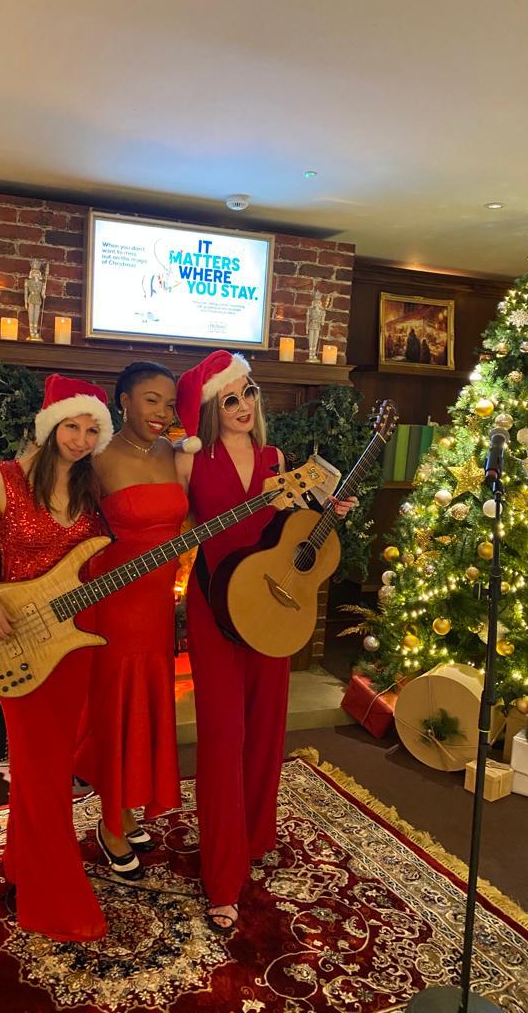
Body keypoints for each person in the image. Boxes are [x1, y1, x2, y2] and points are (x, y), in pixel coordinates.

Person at [173, 350, 356, 936]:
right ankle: (222, 875)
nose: (244, 406)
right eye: (230, 399)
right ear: (211, 409)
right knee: (224, 736)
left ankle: (254, 837)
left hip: (274, 606)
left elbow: (294, 531)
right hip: (214, 607)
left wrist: (329, 511)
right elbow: (164, 525)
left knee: (266, 725)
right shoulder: (189, 461)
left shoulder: (279, 460)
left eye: (249, 393)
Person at [0, 373, 113, 943]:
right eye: (72, 426)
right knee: (40, 770)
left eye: (91, 428)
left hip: (72, 644)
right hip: (12, 637)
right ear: (51, 427)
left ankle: (25, 867)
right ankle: (55, 898)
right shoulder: (3, 478)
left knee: (45, 768)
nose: (80, 438)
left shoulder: (92, 486)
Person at [74, 361, 187, 880]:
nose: (162, 413)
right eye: (150, 400)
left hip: (159, 606)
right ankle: (110, 823)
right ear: (122, 401)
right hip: (114, 606)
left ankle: (126, 805)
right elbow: (56, 516)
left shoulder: (174, 454)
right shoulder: (96, 457)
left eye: (168, 402)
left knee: (146, 704)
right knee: (116, 708)